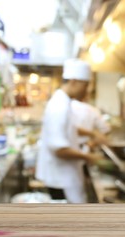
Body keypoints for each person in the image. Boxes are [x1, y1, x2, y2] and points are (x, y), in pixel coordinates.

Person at [35, 59, 106, 203]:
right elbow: (59, 149)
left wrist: (92, 133)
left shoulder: (64, 101)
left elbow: (69, 128)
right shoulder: (59, 106)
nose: (87, 90)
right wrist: (90, 157)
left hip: (64, 174)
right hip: (60, 179)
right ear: (74, 82)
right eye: (85, 85)